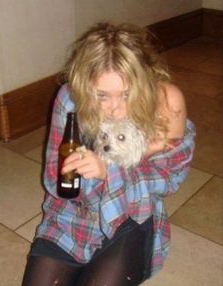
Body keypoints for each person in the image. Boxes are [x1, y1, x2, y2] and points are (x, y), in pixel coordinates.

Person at [22, 22, 195, 286]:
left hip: (130, 215)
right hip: (72, 216)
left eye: (126, 94)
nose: (114, 108)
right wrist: (87, 174)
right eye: (101, 95)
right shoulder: (70, 98)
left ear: (143, 81)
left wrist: (108, 171)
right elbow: (53, 179)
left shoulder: (166, 101)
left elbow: (170, 178)